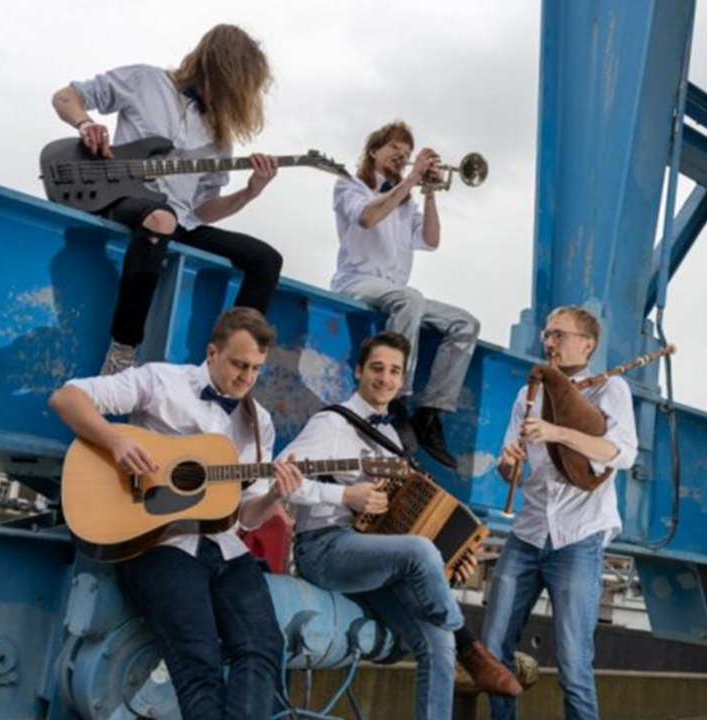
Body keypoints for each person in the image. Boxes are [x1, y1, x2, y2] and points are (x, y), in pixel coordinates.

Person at [49, 307, 303, 720]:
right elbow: (67, 398)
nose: (247, 378)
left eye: (257, 368)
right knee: (198, 665)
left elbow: (249, 517)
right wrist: (115, 442)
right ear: (212, 352)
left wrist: (275, 493)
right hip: (157, 543)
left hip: (224, 548)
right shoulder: (162, 381)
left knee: (263, 649)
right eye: (239, 364)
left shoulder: (261, 424)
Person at [271, 331, 521, 720]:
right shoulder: (331, 423)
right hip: (323, 548)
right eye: (376, 368)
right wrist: (342, 497)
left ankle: (455, 647)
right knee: (421, 552)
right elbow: (279, 479)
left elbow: (398, 521)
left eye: (394, 372)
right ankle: (471, 645)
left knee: (436, 641)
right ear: (358, 371)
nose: (385, 379)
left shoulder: (390, 437)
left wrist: (451, 562)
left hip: (370, 557)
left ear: (402, 380)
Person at [52, 24, 283, 374]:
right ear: (218, 66)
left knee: (266, 259)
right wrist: (85, 123)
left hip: (180, 220)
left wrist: (250, 193)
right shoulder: (145, 81)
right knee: (161, 220)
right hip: (123, 198)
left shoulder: (220, 136)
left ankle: (228, 363)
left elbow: (202, 210)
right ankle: (123, 350)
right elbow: (65, 95)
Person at [482, 306, 639, 720]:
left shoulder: (610, 389)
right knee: (493, 652)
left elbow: (620, 453)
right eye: (547, 335)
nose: (549, 342)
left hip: (578, 538)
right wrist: (508, 464)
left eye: (559, 335)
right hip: (528, 532)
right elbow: (511, 466)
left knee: (573, 664)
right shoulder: (527, 394)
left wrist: (555, 432)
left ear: (587, 344)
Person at [330, 120, 480, 469]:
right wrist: (412, 179)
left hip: (395, 292)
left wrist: (427, 192)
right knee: (409, 298)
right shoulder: (350, 185)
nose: (402, 156)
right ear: (373, 151)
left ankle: (430, 414)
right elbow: (367, 218)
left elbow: (430, 240)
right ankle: (398, 397)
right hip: (356, 282)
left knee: (465, 323)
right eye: (395, 148)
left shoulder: (405, 203)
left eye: (407, 153)